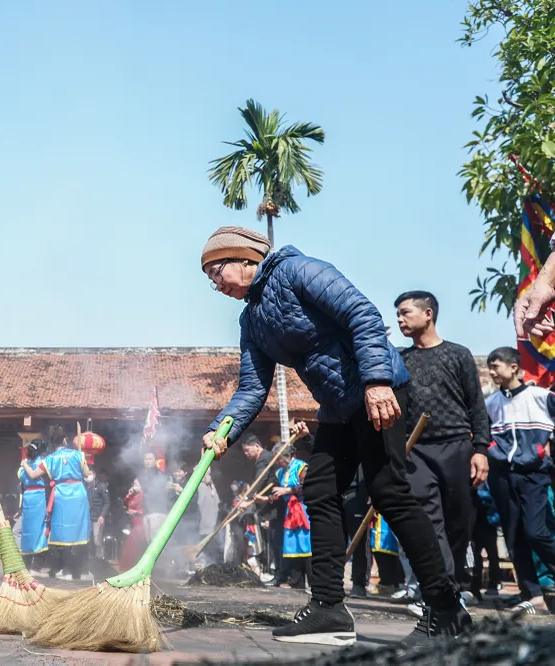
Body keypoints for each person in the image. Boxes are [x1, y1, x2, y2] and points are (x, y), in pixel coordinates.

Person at [200, 226, 468, 646]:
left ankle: (446, 610)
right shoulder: (251, 319)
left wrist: (377, 380)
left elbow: (362, 313)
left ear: (244, 258)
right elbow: (253, 388)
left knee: (389, 493)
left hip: (376, 392)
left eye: (217, 272)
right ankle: (328, 610)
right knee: (320, 490)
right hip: (338, 409)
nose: (215, 285)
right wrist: (222, 430)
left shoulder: (300, 271)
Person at [395, 292, 489, 603]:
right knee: (427, 518)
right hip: (417, 451)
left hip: (457, 447)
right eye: (398, 314)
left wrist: (480, 450)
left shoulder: (458, 355)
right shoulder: (401, 360)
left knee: (459, 520)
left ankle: (456, 581)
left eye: (405, 312)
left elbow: (476, 406)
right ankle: (441, 591)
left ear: (428, 314)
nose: (399, 319)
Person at [483, 346, 555, 611]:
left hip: (533, 474)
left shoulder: (540, 397)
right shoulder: (491, 403)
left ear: (514, 367)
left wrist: (541, 451)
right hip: (502, 475)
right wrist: (492, 451)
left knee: (536, 532)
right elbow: (481, 433)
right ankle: (532, 595)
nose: (492, 372)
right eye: (489, 366)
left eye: (496, 366)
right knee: (514, 536)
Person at [21, 425, 90, 580]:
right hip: (78, 492)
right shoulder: (78, 455)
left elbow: (32, 475)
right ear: (65, 440)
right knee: (80, 531)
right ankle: (82, 570)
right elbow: (88, 475)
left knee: (62, 533)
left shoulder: (50, 459)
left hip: (60, 495)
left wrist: (25, 464)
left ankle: (66, 571)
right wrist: (91, 479)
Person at [273, 424, 313, 589]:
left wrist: (287, 490)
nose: (278, 462)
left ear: (286, 456)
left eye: (279, 459)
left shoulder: (301, 467)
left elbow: (307, 486)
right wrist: (263, 498)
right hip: (290, 512)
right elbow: (279, 492)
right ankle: (296, 582)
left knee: (307, 544)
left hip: (303, 510)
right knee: (293, 546)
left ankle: (313, 581)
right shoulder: (280, 472)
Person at [240, 434, 280, 582]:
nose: (246, 454)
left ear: (256, 446)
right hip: (265, 504)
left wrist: (247, 500)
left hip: (270, 505)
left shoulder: (264, 459)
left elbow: (260, 480)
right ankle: (269, 569)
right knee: (266, 538)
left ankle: (269, 571)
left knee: (269, 538)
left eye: (247, 450)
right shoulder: (262, 458)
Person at [18, 439, 49, 572]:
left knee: (28, 532)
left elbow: (21, 485)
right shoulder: (43, 463)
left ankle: (26, 565)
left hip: (27, 499)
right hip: (40, 497)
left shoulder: (22, 466)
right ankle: (36, 567)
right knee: (41, 531)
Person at [137, 451, 170, 539]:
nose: (148, 461)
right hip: (146, 512)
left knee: (157, 541)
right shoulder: (142, 476)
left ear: (156, 461)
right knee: (149, 541)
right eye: (146, 459)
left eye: (150, 459)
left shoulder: (163, 476)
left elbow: (167, 494)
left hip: (158, 512)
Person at [118, 478, 146, 572]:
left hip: (139, 522)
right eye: (133, 483)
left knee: (134, 545)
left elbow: (145, 509)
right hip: (131, 521)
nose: (134, 486)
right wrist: (128, 495)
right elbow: (125, 504)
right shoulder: (132, 494)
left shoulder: (142, 495)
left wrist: (136, 512)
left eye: (136, 484)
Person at [196, 471, 221, 566]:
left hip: (210, 520)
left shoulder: (210, 486)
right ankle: (208, 562)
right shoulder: (200, 487)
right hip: (204, 519)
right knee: (206, 541)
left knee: (210, 542)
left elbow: (216, 502)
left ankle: (212, 562)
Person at [85, 468, 110, 560]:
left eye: (89, 473)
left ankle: (99, 558)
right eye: (86, 474)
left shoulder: (101, 486)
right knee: (86, 539)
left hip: (97, 517)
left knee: (97, 539)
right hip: (87, 517)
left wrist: (102, 515)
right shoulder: (84, 486)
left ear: (94, 474)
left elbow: (107, 502)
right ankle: (88, 558)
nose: (88, 476)